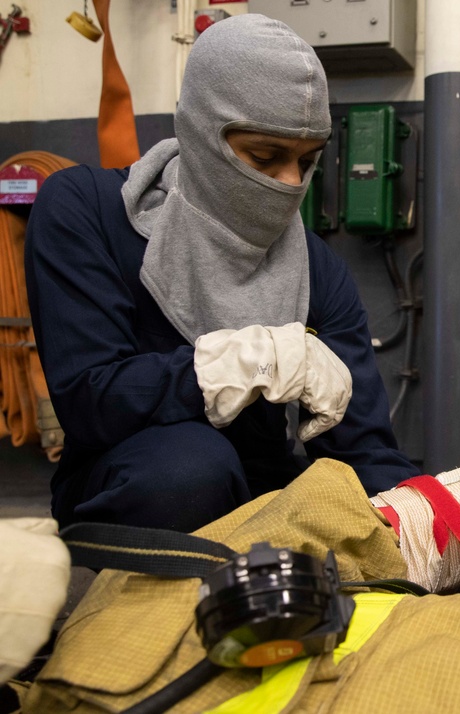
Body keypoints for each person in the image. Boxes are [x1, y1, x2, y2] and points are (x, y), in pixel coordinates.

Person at [24, 14, 418, 533]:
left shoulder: (316, 269)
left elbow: (361, 449)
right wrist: (236, 364)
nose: (289, 182)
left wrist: (433, 513)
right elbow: (91, 399)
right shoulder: (87, 211)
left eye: (307, 160)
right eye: (264, 156)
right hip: (135, 484)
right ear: (202, 132)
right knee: (191, 468)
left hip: (262, 496)